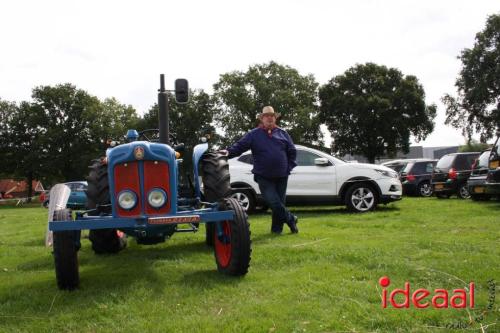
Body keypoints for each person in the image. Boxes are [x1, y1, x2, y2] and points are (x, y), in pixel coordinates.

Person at [221, 106, 298, 234]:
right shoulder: (253, 134)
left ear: (275, 118)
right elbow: (239, 147)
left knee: (279, 203)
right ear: (262, 119)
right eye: (266, 116)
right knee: (273, 202)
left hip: (282, 175)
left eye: (272, 116)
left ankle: (276, 230)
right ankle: (291, 219)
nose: (269, 118)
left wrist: (288, 168)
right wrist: (227, 152)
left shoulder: (283, 133)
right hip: (264, 176)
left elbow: (292, 152)